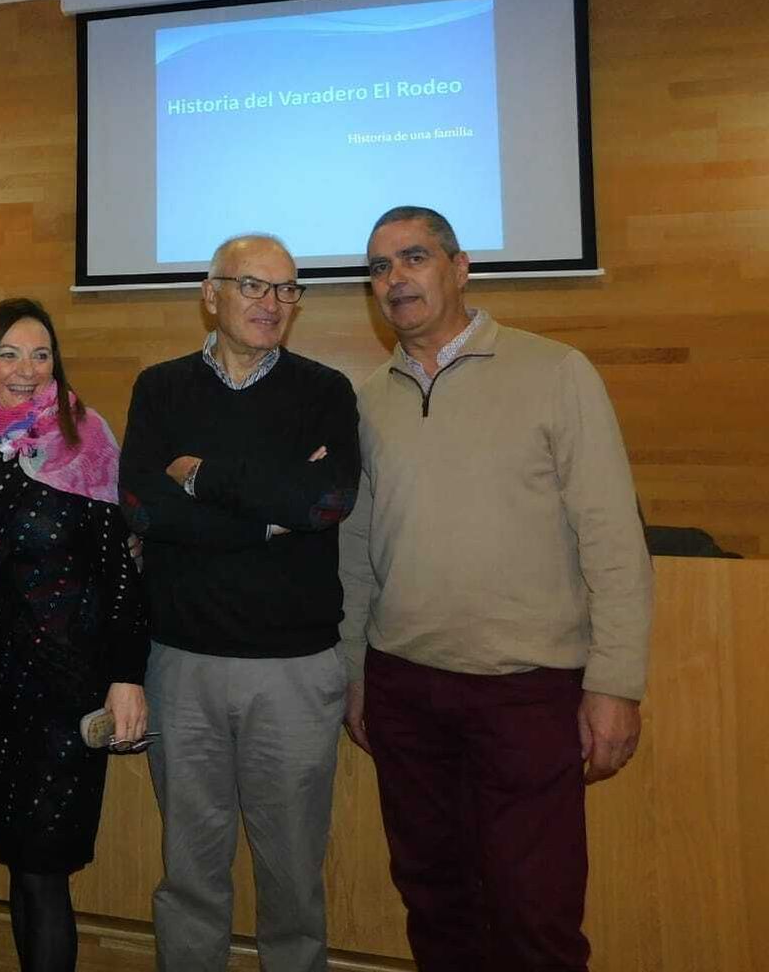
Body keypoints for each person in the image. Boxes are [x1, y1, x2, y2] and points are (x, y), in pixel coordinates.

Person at [339, 205, 653, 972]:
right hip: (404, 690)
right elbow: (354, 549)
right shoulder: (369, 399)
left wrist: (615, 683)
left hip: (527, 691)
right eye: (379, 266)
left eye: (414, 257)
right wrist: (354, 673)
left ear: (460, 267)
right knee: (435, 900)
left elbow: (613, 539)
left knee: (534, 911)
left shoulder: (556, 372)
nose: (395, 278)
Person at [119, 235, 360, 972]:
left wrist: (201, 475)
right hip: (180, 666)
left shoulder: (325, 390)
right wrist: (266, 516)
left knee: (292, 875)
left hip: (294, 672)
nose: (272, 303)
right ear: (210, 293)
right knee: (190, 871)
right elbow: (142, 508)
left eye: (287, 289)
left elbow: (325, 503)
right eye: (253, 285)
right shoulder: (160, 388)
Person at [0, 298, 149, 972]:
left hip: (67, 692)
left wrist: (127, 676)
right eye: (8, 354)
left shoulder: (86, 442)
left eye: (40, 354)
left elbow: (120, 575)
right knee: (16, 860)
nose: (26, 369)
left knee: (44, 871)